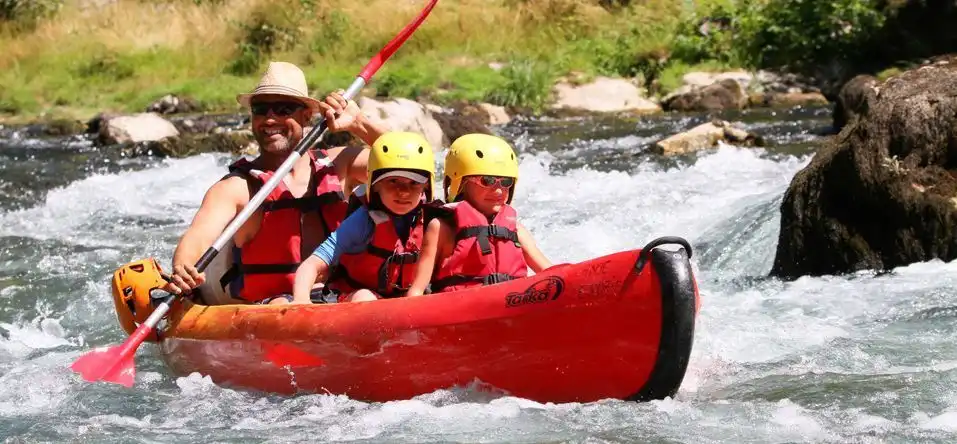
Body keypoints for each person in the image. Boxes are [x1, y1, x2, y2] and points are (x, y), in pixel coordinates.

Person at [162, 61, 388, 304]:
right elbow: (198, 236)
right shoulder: (237, 188)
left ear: (306, 115)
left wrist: (359, 124)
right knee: (283, 306)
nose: (269, 119)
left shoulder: (341, 164)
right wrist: (182, 266)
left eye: (282, 109)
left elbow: (414, 167)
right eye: (261, 109)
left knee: (364, 298)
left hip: (339, 297)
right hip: (273, 308)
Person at [292, 131, 438, 303]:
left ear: (426, 186)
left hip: (409, 299)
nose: (404, 192)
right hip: (355, 297)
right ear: (375, 186)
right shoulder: (363, 221)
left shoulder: (433, 221)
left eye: (414, 183)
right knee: (364, 297)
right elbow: (311, 264)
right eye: (393, 181)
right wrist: (301, 300)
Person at [411, 133, 552, 294]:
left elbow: (551, 273)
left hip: (510, 304)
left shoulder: (516, 230)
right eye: (487, 180)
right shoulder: (441, 228)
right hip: (458, 310)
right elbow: (417, 290)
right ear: (461, 183)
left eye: (506, 182)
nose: (499, 190)